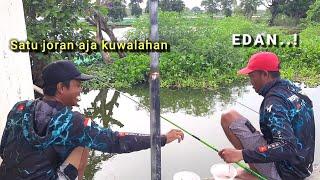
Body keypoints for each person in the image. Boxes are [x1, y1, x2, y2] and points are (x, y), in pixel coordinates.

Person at [0, 60, 184, 180]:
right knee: (83, 142)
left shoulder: (20, 107)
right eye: (78, 86)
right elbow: (115, 141)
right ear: (60, 88)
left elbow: (3, 149)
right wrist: (161, 139)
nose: (81, 90)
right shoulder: (73, 121)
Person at [218, 52, 315, 180]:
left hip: (286, 172)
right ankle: (257, 168)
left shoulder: (274, 102)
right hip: (303, 166)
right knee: (230, 116)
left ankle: (258, 173)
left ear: (265, 74)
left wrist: (242, 154)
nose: (251, 82)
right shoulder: (293, 88)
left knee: (227, 118)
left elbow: (287, 146)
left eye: (252, 76)